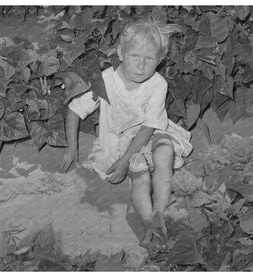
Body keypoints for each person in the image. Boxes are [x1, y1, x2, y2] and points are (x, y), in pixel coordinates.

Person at [58, 17, 193, 245]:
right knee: (138, 175)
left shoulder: (158, 84)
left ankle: (159, 211)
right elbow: (74, 110)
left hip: (151, 132)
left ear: (160, 61)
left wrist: (126, 159)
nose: (141, 66)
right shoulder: (106, 80)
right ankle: (148, 222)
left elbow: (150, 126)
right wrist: (72, 149)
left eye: (149, 59)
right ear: (120, 53)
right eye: (134, 57)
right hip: (120, 141)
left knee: (164, 152)